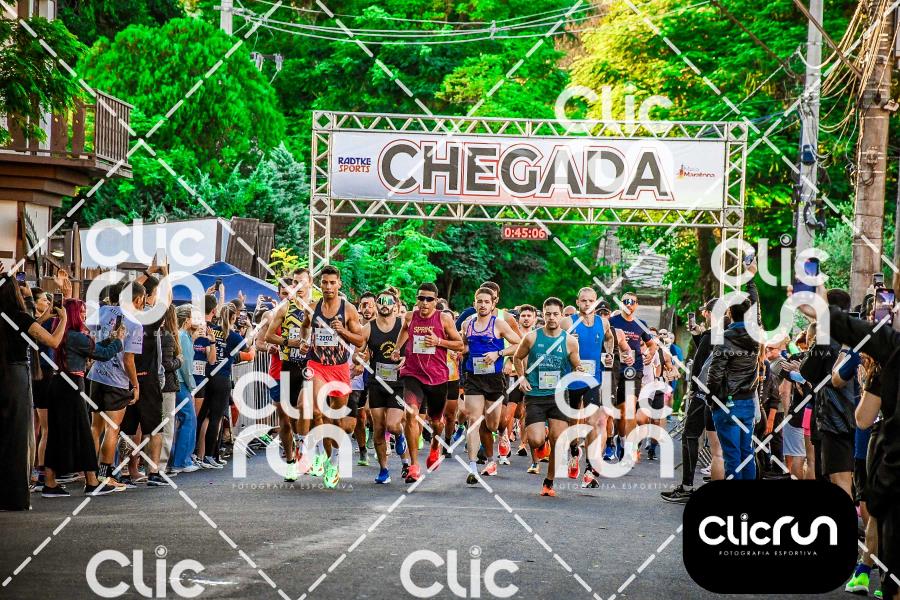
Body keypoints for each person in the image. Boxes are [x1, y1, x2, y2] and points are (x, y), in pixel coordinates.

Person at [42, 299, 124, 497]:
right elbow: (102, 354)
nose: (85, 315)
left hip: (58, 383)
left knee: (56, 434)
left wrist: (110, 339)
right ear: (73, 315)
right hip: (72, 385)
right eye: (81, 311)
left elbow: (92, 348)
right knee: (84, 434)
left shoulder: (63, 334)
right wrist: (119, 341)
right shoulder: (76, 336)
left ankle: (50, 482)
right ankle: (92, 481)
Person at [0, 274, 67, 510]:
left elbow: (32, 325)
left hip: (2, 374)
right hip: (16, 377)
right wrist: (63, 319)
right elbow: (52, 341)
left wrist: (46, 315)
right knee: (18, 437)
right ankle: (14, 497)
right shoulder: (19, 317)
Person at [391, 282, 464, 484]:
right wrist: (397, 348)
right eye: (421, 298)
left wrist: (439, 342)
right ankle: (414, 466)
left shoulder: (444, 319)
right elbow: (404, 330)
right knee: (411, 414)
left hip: (437, 377)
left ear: (435, 301)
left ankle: (434, 445)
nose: (424, 302)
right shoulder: (409, 317)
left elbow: (459, 344)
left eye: (429, 299)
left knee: (436, 422)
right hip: (412, 373)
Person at [561, 287, 630, 486]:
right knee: (574, 421)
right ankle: (574, 450)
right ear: (577, 302)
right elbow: (555, 343)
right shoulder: (568, 322)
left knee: (594, 421)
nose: (587, 304)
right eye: (583, 300)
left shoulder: (603, 322)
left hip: (595, 378)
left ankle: (590, 469)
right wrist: (566, 344)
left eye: (591, 300)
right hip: (573, 378)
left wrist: (608, 354)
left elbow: (609, 338)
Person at [513, 297, 581, 497]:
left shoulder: (569, 340)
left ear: (561, 315)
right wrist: (521, 377)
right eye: (548, 314)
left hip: (558, 396)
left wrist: (579, 368)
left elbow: (576, 363)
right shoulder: (532, 338)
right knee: (535, 440)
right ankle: (542, 443)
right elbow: (517, 357)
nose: (552, 317)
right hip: (535, 394)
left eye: (555, 314)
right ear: (543, 315)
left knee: (558, 440)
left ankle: (548, 482)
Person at [306, 265, 365, 488]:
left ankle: (334, 460)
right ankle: (320, 453)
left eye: (332, 283)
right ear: (320, 284)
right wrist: (304, 341)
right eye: (324, 282)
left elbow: (360, 340)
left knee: (336, 419)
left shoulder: (348, 309)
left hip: (339, 368)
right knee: (317, 411)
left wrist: (343, 331)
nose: (328, 287)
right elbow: (305, 327)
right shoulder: (313, 307)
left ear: (339, 283)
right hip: (317, 365)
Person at [705, 261, 761, 480]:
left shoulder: (724, 339)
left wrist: (711, 398)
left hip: (727, 401)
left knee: (732, 456)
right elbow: (755, 308)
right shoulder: (756, 335)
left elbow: (715, 373)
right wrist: (751, 279)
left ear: (729, 313)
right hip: (748, 401)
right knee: (747, 453)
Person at [460, 287, 521, 482]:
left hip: (494, 379)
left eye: (487, 302)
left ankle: (499, 435)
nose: (483, 305)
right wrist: (459, 351)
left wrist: (499, 354)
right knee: (473, 420)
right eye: (479, 301)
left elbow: (519, 344)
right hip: (473, 377)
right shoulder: (467, 324)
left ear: (493, 304)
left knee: (493, 424)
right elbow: (464, 345)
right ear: (474, 303)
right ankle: (472, 468)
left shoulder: (499, 324)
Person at [88, 282, 143, 486]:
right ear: (138, 299)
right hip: (117, 381)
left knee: (95, 428)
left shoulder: (103, 311)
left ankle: (91, 474)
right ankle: (105, 475)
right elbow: (129, 360)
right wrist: (135, 385)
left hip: (96, 375)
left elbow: (90, 335)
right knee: (112, 429)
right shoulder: (135, 324)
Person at [119, 279, 169, 487]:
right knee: (154, 428)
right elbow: (166, 301)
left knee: (126, 429)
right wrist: (165, 276)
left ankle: (123, 471)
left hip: (122, 379)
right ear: (140, 299)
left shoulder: (117, 318)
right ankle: (154, 471)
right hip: (146, 379)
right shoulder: (147, 319)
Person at [264, 269, 313, 482]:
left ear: (310, 283)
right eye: (295, 282)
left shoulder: (317, 308)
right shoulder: (285, 308)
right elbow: (268, 336)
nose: (298, 287)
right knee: (286, 418)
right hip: (288, 365)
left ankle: (304, 449)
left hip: (310, 367)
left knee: (305, 407)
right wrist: (289, 342)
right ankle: (291, 462)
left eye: (302, 282)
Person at [197, 302, 247, 469]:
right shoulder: (234, 336)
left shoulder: (212, 329)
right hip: (222, 377)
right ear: (233, 318)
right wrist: (248, 329)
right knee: (216, 418)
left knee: (203, 415)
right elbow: (248, 349)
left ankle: (200, 454)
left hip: (207, 375)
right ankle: (209, 456)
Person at [361, 288, 404, 483]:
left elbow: (413, 350)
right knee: (378, 428)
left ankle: (400, 438)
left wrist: (406, 359)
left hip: (398, 383)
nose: (384, 305)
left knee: (392, 425)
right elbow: (359, 351)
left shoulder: (402, 325)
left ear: (395, 305)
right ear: (376, 304)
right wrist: (358, 360)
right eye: (381, 302)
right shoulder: (368, 328)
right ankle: (384, 470)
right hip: (376, 383)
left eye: (389, 302)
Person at [608, 292, 656, 462]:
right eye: (625, 301)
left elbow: (652, 344)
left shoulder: (641, 324)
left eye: (632, 302)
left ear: (636, 305)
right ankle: (620, 440)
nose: (629, 304)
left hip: (634, 370)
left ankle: (629, 449)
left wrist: (650, 354)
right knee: (619, 413)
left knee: (629, 409)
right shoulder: (612, 321)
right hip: (614, 369)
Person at [169, 305, 199, 473]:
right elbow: (186, 367)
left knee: (178, 421)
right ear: (187, 320)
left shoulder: (181, 335)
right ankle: (182, 461)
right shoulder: (183, 337)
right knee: (188, 419)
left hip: (176, 382)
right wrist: (192, 388)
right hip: (181, 383)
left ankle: (177, 459)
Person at [159, 305, 183, 473]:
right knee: (167, 427)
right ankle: (160, 465)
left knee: (158, 427)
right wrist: (179, 361)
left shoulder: (156, 335)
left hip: (157, 385)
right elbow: (166, 365)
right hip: (166, 386)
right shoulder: (167, 337)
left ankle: (156, 465)